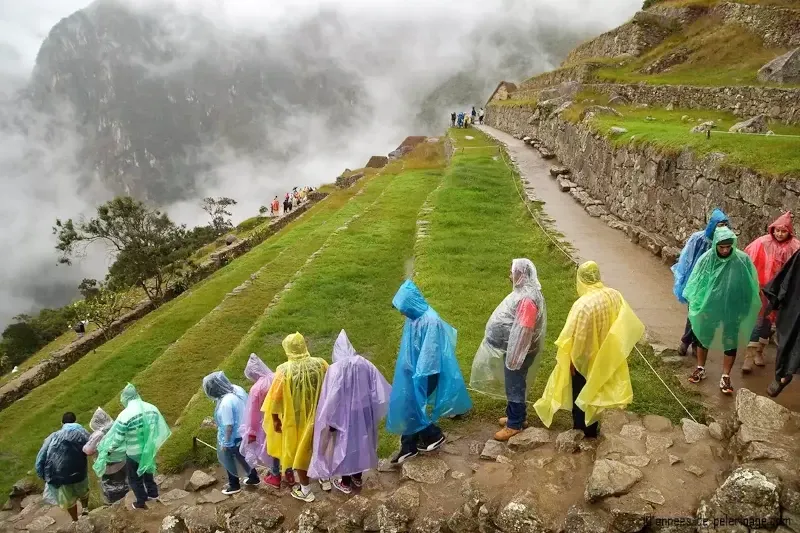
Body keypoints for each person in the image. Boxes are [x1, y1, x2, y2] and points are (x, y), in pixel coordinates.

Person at [534, 262, 645, 438]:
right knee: (599, 389)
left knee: (582, 393)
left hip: (587, 358)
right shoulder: (614, 295)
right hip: (609, 354)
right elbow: (624, 322)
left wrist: (573, 361)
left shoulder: (583, 305)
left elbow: (578, 338)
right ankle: (594, 426)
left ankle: (582, 431)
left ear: (580, 278)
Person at [386, 280, 472, 464]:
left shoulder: (430, 321)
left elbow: (430, 356)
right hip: (417, 370)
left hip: (427, 372)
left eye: (402, 307)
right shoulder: (414, 317)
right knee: (411, 402)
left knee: (413, 404)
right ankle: (409, 445)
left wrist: (417, 376)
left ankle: (432, 436)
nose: (401, 312)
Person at [470, 259, 547, 441]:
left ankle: (515, 424)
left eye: (512, 272)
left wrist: (515, 356)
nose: (509, 275)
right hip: (517, 349)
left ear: (521, 274)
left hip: (520, 351)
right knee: (514, 383)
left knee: (515, 385)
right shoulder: (524, 293)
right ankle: (516, 416)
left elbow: (524, 330)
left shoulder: (527, 299)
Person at [309, 330, 391, 494]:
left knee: (345, 446)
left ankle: (345, 481)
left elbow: (331, 397)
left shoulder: (335, 370)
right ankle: (357, 476)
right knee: (361, 443)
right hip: (364, 409)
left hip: (344, 415)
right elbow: (377, 387)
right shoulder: (364, 363)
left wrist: (330, 420)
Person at [682, 227, 761, 394]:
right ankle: (700, 368)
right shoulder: (706, 259)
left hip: (732, 308)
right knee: (703, 337)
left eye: (728, 246)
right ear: (716, 244)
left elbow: (750, 285)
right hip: (710, 306)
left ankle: (726, 376)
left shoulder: (741, 260)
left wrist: (745, 307)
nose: (725, 250)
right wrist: (698, 305)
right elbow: (697, 283)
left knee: (730, 340)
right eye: (721, 247)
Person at [262, 332, 328, 503]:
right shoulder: (320, 364)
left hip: (296, 420)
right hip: (321, 415)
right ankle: (325, 479)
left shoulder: (284, 370)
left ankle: (305, 490)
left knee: (301, 453)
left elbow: (275, 398)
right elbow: (331, 385)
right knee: (320, 446)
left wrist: (276, 420)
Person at [94, 384, 171, 510]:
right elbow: (158, 427)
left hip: (133, 452)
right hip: (149, 450)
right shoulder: (152, 408)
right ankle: (153, 494)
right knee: (148, 471)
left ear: (125, 398)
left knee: (134, 479)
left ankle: (141, 501)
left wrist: (109, 450)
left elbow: (118, 439)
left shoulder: (125, 415)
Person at [743, 212, 800, 372]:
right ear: (772, 229)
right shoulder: (761, 243)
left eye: (783, 231)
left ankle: (759, 352)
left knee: (769, 323)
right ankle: (749, 355)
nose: (779, 234)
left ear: (789, 231)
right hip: (761, 291)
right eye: (777, 230)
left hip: (780, 293)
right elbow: (748, 257)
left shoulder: (795, 247)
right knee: (757, 321)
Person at [672, 209, 730, 356]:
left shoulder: (726, 242)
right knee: (694, 313)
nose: (721, 228)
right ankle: (686, 342)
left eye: (724, 225)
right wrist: (684, 280)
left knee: (706, 316)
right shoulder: (698, 238)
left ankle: (696, 344)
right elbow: (686, 259)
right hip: (695, 282)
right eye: (719, 225)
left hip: (713, 285)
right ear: (712, 225)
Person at [202, 371, 260, 495]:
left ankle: (234, 485)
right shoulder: (236, 390)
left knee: (229, 460)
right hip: (243, 431)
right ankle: (253, 477)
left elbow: (228, 426)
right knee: (243, 456)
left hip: (234, 437)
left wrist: (226, 442)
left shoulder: (225, 404)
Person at [239, 354, 287, 488]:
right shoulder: (277, 377)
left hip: (268, 422)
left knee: (271, 449)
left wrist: (252, 432)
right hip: (284, 417)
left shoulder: (256, 388)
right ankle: (289, 473)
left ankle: (275, 475)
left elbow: (253, 413)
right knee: (284, 445)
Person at [35, 413, 90, 521]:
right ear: (75, 420)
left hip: (60, 475)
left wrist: (42, 473)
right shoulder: (83, 433)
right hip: (80, 471)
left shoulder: (53, 436)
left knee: (69, 500)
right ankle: (85, 509)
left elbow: (41, 456)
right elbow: (91, 447)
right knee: (83, 491)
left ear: (62, 423)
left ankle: (75, 520)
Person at [763, 249, 800, 397]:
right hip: (796, 306)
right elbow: (788, 276)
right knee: (790, 342)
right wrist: (777, 296)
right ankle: (782, 375)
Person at [83, 408, 128, 504]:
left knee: (111, 485)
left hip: (109, 465)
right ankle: (126, 498)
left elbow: (88, 450)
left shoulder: (98, 434)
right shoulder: (117, 426)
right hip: (123, 461)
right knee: (124, 481)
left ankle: (113, 504)